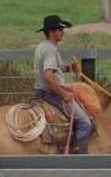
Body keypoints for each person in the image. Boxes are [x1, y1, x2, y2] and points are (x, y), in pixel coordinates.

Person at [33, 15, 91, 154]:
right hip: (50, 94)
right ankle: (78, 158)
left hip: (40, 91)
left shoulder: (43, 47)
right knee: (85, 123)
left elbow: (50, 70)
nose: (63, 32)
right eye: (60, 29)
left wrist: (66, 68)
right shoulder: (50, 50)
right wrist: (64, 94)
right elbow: (48, 76)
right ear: (52, 32)